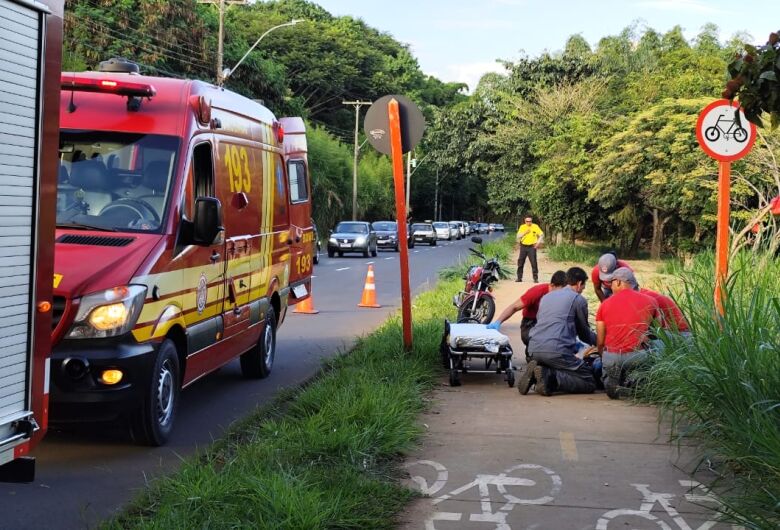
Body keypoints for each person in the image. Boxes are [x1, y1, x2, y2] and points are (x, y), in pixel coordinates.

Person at [517, 267, 598, 396]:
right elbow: (584, 334)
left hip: (533, 349)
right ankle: (551, 378)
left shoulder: (546, 297)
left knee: (557, 363)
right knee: (589, 380)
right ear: (579, 284)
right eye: (583, 286)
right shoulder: (578, 300)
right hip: (556, 352)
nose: (582, 290)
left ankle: (538, 373)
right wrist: (602, 341)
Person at [595, 267, 660, 399]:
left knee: (610, 364)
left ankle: (613, 379)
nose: (610, 286)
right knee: (656, 346)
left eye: (611, 282)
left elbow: (600, 341)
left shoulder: (605, 304)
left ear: (618, 282)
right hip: (637, 355)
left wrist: (603, 356)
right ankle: (637, 380)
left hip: (612, 355)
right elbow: (657, 332)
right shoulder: (651, 301)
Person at [487, 271, 567, 350]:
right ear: (552, 285)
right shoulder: (537, 292)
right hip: (530, 324)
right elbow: (514, 307)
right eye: (561, 291)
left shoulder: (564, 296)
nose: (563, 294)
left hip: (547, 323)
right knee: (540, 342)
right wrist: (498, 322)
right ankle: (532, 353)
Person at [516, 216, 543, 283]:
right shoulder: (522, 227)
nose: (529, 222)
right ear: (525, 221)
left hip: (532, 247)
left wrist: (538, 243)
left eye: (530, 221)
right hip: (523, 246)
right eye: (527, 221)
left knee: (534, 263)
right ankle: (519, 278)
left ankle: (535, 278)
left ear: (531, 221)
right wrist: (525, 232)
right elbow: (518, 236)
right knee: (520, 262)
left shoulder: (535, 226)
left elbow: (542, 234)